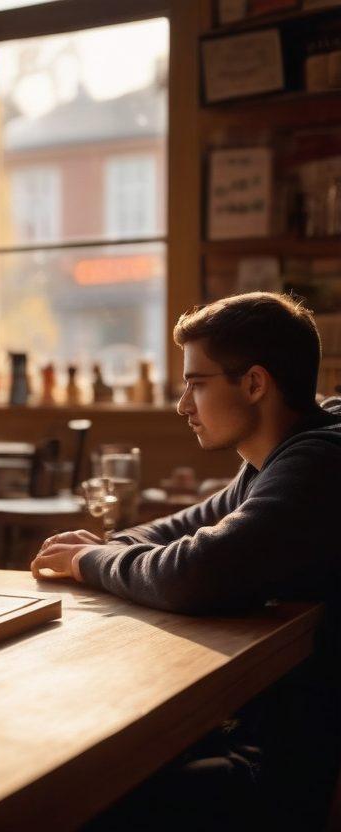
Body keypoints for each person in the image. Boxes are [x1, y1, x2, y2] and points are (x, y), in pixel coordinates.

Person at [30, 292, 341, 830]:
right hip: (254, 723)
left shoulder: (317, 461)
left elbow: (196, 573)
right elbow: (183, 528)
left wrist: (89, 561)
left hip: (283, 770)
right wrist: (105, 549)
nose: (182, 405)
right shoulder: (280, 455)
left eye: (197, 384)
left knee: (77, 800)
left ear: (254, 384)